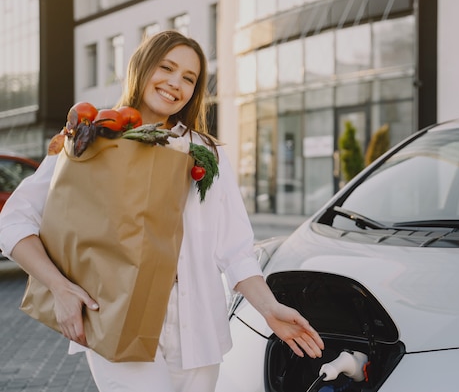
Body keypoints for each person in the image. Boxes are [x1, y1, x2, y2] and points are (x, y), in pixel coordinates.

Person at [0, 30, 324, 391]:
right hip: (115, 315)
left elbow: (235, 251)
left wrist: (268, 307)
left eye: (189, 78)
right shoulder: (92, 137)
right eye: (166, 67)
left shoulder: (206, 153)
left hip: (197, 329)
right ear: (140, 66)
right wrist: (59, 288)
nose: (175, 83)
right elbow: (13, 220)